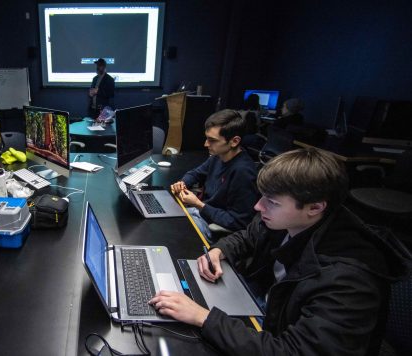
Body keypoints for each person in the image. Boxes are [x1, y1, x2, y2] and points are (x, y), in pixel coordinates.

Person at [150, 148, 411, 355]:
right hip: (270, 313)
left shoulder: (348, 281)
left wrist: (203, 318)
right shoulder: (288, 219)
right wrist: (219, 250)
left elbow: (293, 351)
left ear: (315, 207)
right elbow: (248, 236)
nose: (258, 206)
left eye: (271, 202)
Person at [170, 109, 259, 241]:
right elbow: (195, 173)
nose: (206, 144)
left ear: (234, 141)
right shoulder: (218, 156)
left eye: (212, 140)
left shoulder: (243, 172)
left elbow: (239, 222)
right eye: (207, 138)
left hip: (213, 225)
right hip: (201, 212)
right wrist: (183, 183)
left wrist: (199, 205)